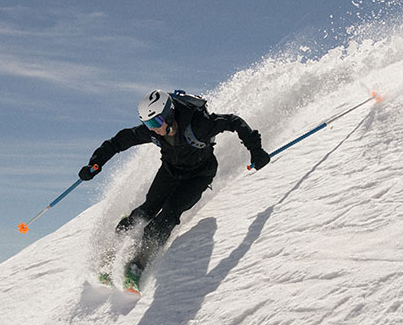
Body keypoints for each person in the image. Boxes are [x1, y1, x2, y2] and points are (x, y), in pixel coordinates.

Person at [79, 89, 270, 285]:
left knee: (169, 213)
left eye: (155, 123)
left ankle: (138, 263)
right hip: (171, 170)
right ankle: (113, 249)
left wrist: (256, 150)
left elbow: (233, 121)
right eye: (147, 124)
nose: (152, 128)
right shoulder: (153, 131)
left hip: (199, 175)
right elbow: (118, 142)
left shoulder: (199, 124)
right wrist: (95, 164)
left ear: (169, 114)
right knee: (147, 209)